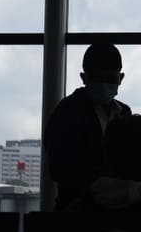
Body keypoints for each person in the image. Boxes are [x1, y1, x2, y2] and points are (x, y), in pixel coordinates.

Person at [45, 42, 133, 210]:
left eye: (110, 78)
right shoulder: (67, 112)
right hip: (77, 209)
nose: (104, 84)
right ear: (84, 78)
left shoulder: (124, 112)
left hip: (114, 208)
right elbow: (58, 168)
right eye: (97, 78)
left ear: (120, 78)